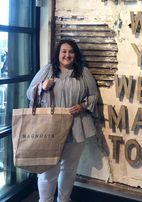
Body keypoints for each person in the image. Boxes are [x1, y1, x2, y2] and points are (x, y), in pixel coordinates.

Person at [27, 39, 99, 202]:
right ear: (58, 54)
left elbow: (94, 96)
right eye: (64, 51)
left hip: (76, 126)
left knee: (69, 168)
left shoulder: (83, 72)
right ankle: (45, 200)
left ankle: (64, 199)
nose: (67, 55)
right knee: (47, 169)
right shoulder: (48, 70)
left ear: (76, 55)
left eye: (71, 52)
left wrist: (82, 105)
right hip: (49, 127)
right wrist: (42, 87)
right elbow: (28, 92)